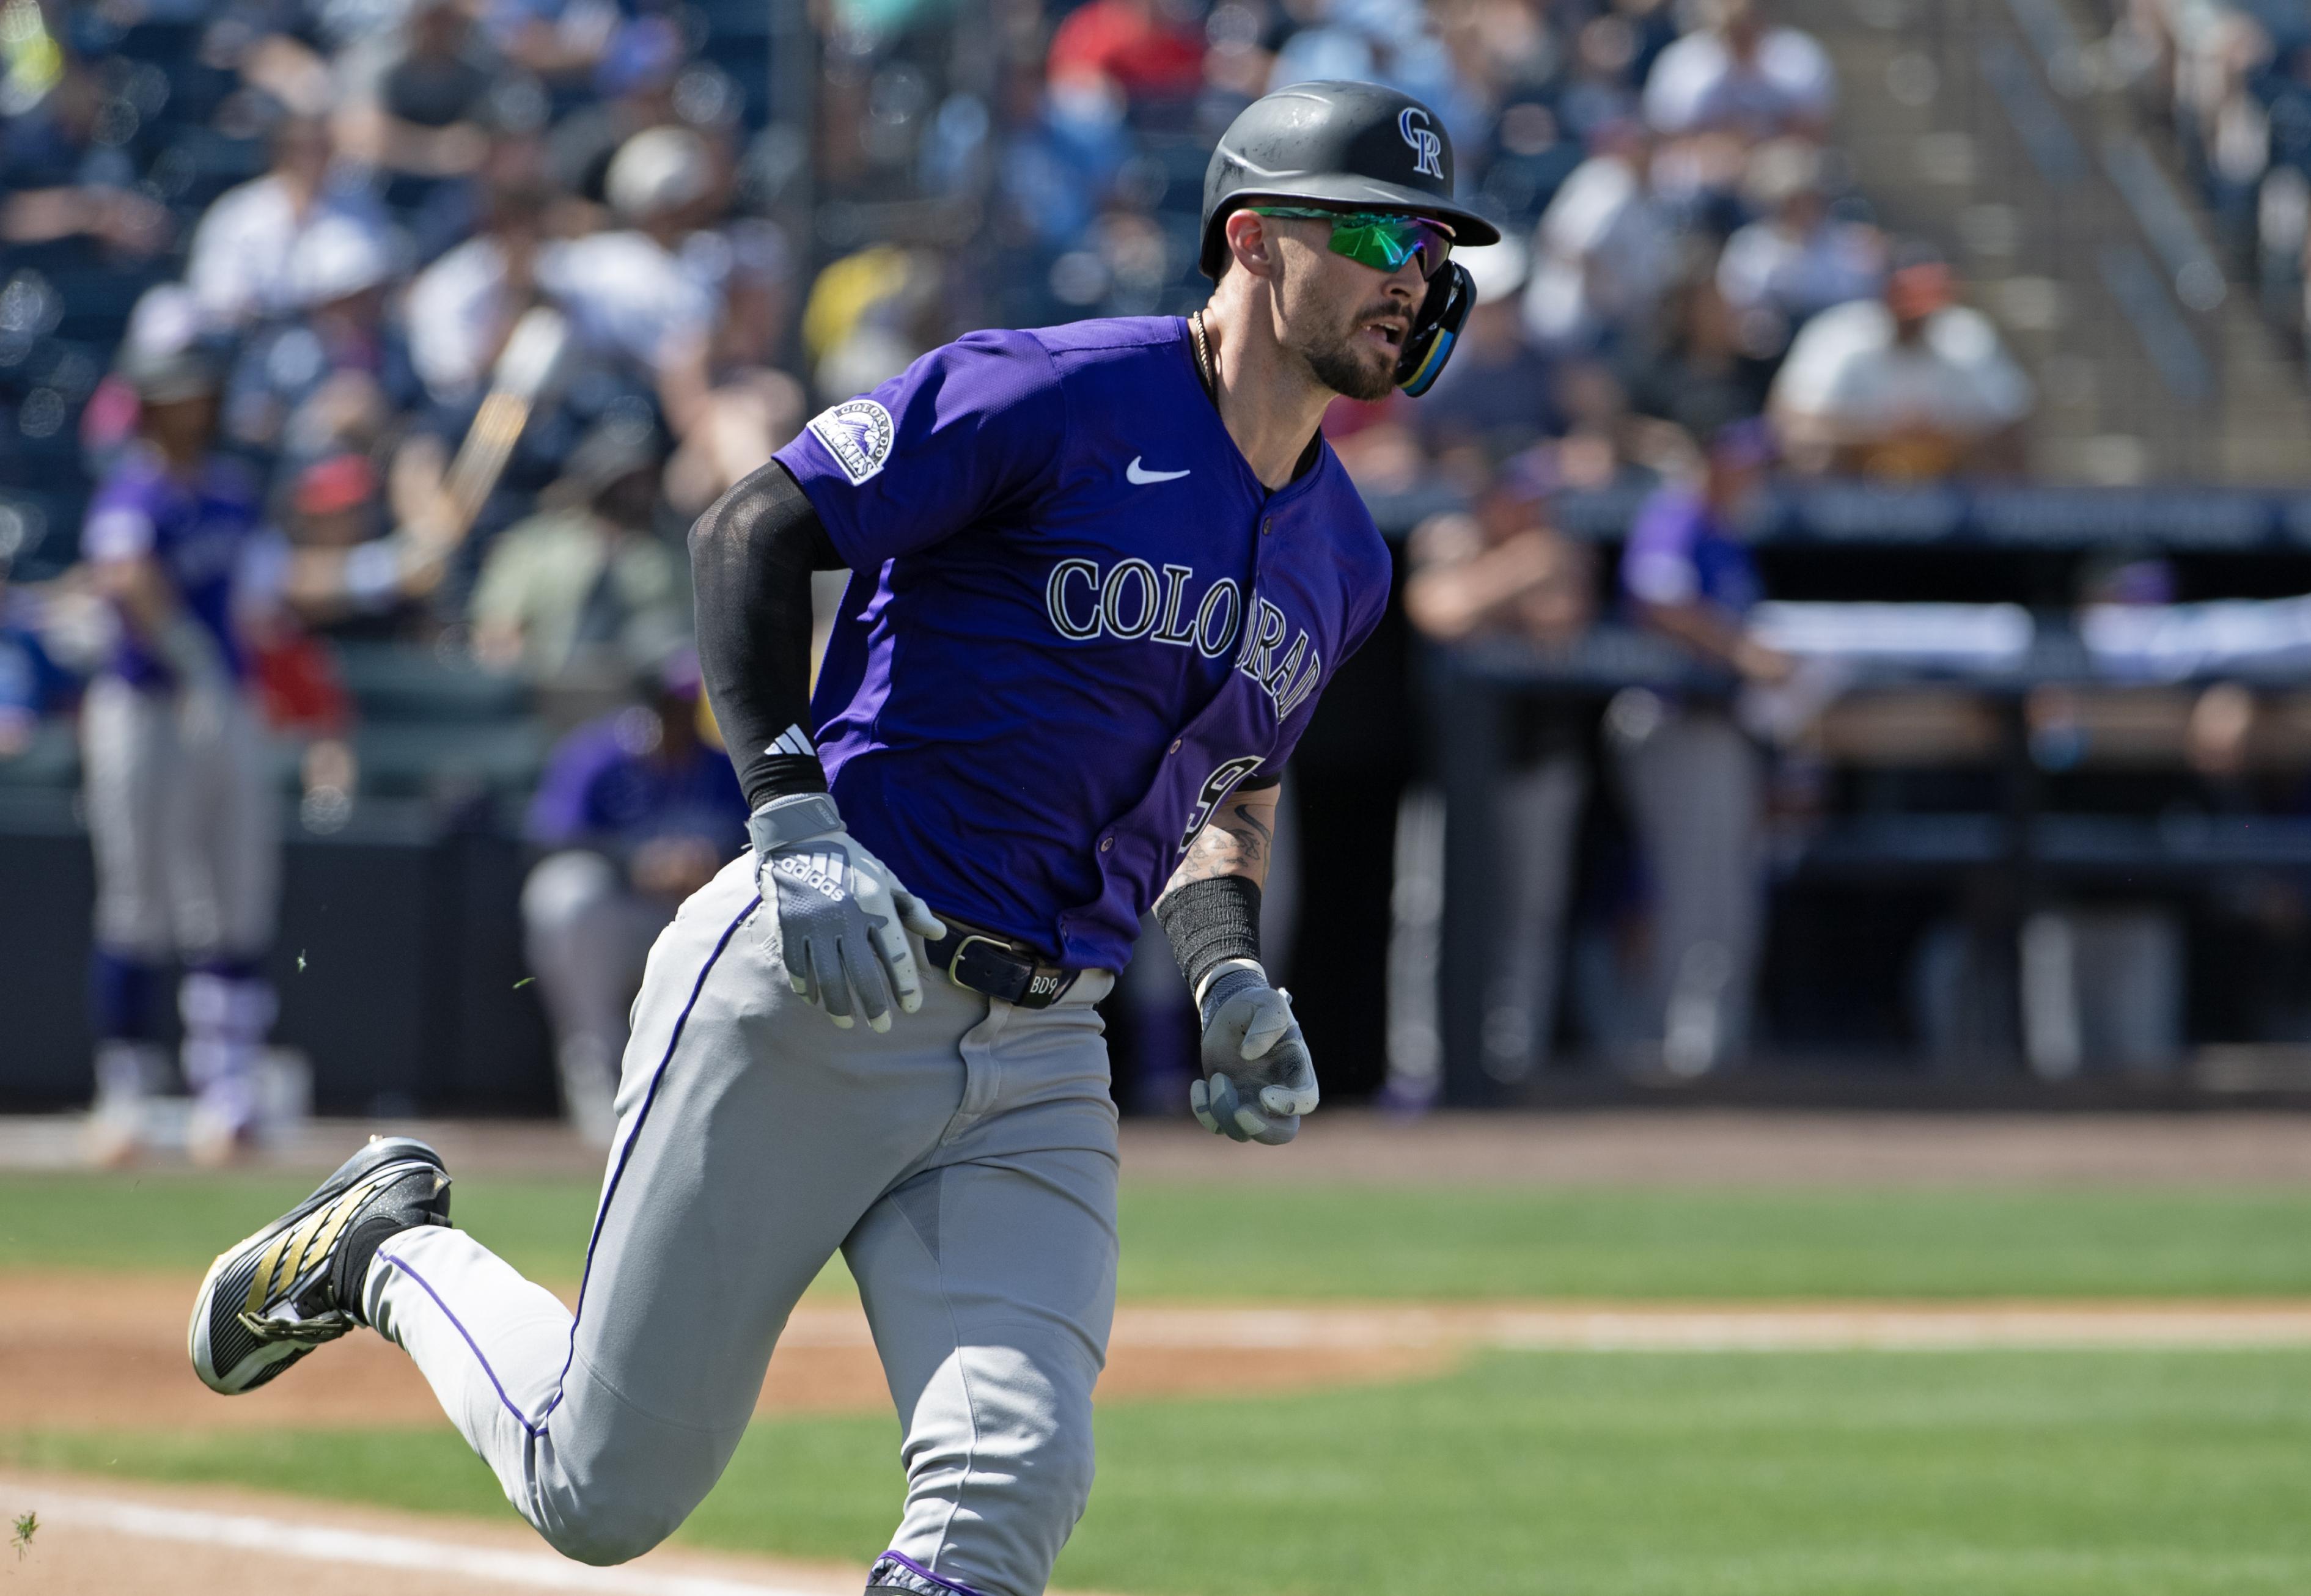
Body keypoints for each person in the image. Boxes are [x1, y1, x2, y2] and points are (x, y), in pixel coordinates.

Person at [188, 79, 1496, 1596]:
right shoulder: (1054, 391)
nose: (1414, 272)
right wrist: (790, 812)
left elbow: (1233, 788)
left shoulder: (1343, 554)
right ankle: (380, 1250)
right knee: (595, 1490)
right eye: (1380, 231)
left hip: (1041, 1059)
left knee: (1009, 1486)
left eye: (1432, 243)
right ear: (1256, 240)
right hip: (829, 969)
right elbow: (751, 527)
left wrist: (1221, 972)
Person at [80, 303, 282, 1165]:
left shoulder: (232, 494)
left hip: (221, 707)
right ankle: (125, 1092)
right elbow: (126, 576)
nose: (185, 406)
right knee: (138, 900)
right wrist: (195, 660)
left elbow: (273, 596)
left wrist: (377, 565)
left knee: (231, 895)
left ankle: (226, 1090)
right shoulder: (133, 489)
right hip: (145, 705)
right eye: (170, 393)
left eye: (194, 391)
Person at [1614, 417, 1789, 1075]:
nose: (1755, 476)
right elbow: (1658, 599)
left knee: (1723, 893)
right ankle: (1673, 1055)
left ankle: (1712, 1047)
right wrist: (1740, 649)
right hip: (1673, 718)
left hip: (1720, 726)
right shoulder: (1678, 513)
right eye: (1744, 462)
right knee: (1690, 891)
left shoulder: (1725, 532)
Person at [520, 653, 749, 1145]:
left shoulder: (720, 765)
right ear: (647, 704)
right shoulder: (598, 754)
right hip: (617, 922)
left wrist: (710, 864)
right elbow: (548, 839)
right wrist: (634, 863)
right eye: (673, 704)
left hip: (694, 921)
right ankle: (596, 1077)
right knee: (564, 892)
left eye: (690, 705)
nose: (684, 715)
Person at [1768, 247, 2034, 478]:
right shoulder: (1840, 334)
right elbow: (1791, 419)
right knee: (1811, 456)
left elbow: (2013, 420)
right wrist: (1880, 431)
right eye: (1907, 295)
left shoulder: (1967, 335)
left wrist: (1940, 433)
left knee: (1999, 459)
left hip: (1951, 480)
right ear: (1886, 292)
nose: (1915, 312)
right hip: (1854, 477)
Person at [468, 417, 689, 683]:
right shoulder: (535, 548)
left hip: (640, 698)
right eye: (621, 478)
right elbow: (496, 634)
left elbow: (686, 636)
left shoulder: (668, 558)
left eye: (644, 478)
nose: (634, 490)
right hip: (548, 694)